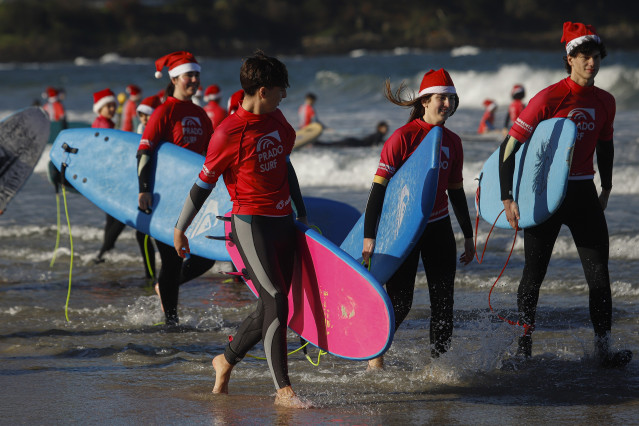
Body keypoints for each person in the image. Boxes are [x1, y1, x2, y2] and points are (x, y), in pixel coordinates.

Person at [173, 50, 312, 409]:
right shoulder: (228, 133)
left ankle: (224, 361)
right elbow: (203, 184)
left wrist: (302, 210)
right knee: (278, 300)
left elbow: (284, 164)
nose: (285, 96)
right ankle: (283, 389)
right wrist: (180, 228)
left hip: (283, 223)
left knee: (272, 304)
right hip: (251, 224)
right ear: (263, 91)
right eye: (281, 90)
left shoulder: (277, 120)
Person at [499, 22, 631, 367]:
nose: (592, 62)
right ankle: (523, 345)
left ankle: (603, 350)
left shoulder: (605, 101)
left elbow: (606, 145)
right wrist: (507, 198)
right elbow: (509, 147)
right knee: (534, 273)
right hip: (545, 195)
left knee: (599, 275)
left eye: (596, 56)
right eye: (585, 56)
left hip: (584, 194)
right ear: (569, 58)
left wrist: (607, 187)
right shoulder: (549, 97)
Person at [362, 69, 475, 369]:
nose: (447, 105)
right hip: (403, 228)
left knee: (443, 303)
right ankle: (375, 352)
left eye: (451, 99)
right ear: (425, 101)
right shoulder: (403, 137)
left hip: (438, 226)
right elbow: (378, 190)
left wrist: (468, 235)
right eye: (442, 98)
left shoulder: (453, 142)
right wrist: (369, 237)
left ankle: (440, 366)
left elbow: (456, 192)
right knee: (401, 303)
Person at [137, 51, 216, 326]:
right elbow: (144, 151)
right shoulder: (163, 111)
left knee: (206, 258)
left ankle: (166, 288)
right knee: (170, 259)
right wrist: (144, 189)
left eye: (196, 75)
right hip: (166, 198)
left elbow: (210, 156)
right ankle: (171, 320)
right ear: (174, 78)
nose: (194, 80)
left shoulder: (200, 114)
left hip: (194, 199)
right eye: (189, 75)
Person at [91, 89, 156, 280]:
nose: (112, 108)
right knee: (121, 218)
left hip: (113, 180)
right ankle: (104, 252)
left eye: (113, 105)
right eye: (108, 106)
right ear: (99, 108)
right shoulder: (103, 126)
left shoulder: (107, 124)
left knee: (113, 218)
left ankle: (103, 253)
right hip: (113, 180)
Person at [314, 121, 389, 147]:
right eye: (384, 128)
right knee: (331, 145)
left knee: (332, 144)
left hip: (354, 142)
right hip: (354, 143)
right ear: (379, 128)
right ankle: (315, 143)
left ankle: (316, 143)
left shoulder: (378, 135)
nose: (386, 129)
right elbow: (375, 145)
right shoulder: (379, 135)